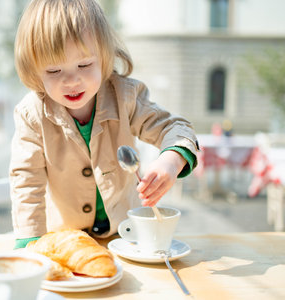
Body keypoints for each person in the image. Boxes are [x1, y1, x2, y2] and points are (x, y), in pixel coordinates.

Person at [10, 0, 199, 248]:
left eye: (84, 65)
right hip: (67, 241)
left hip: (129, 236)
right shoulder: (31, 114)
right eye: (54, 71)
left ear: (103, 56)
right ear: (35, 70)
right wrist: (31, 242)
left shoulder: (125, 96)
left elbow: (175, 128)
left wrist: (171, 160)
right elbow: (26, 180)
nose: (71, 80)